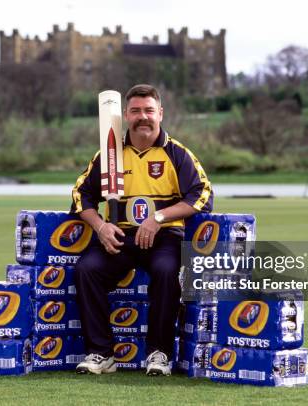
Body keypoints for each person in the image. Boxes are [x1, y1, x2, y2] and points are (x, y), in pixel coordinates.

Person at [70, 84, 213, 376]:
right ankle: (101, 353)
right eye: (136, 111)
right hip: (119, 237)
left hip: (164, 238)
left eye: (149, 110)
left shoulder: (177, 154)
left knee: (165, 271)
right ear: (126, 115)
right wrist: (100, 226)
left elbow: (202, 195)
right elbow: (80, 194)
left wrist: (158, 217)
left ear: (160, 113)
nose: (142, 117)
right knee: (87, 269)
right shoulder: (110, 155)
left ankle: (158, 354)